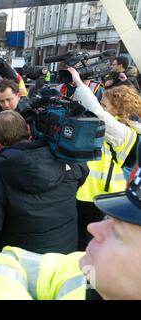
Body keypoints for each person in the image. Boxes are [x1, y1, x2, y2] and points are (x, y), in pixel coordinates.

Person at [0, 165, 141, 300]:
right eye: (107, 219)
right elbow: (8, 260)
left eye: (117, 232)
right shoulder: (82, 268)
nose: (93, 228)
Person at [0, 110, 88, 254]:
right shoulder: (63, 158)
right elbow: (82, 173)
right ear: (28, 129)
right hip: (63, 258)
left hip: (20, 263)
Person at [71, 67, 141, 250]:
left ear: (119, 110)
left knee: (89, 244)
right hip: (88, 194)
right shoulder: (117, 130)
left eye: (105, 105)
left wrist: (79, 83)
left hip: (102, 197)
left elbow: (97, 113)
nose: (101, 107)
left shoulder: (124, 134)